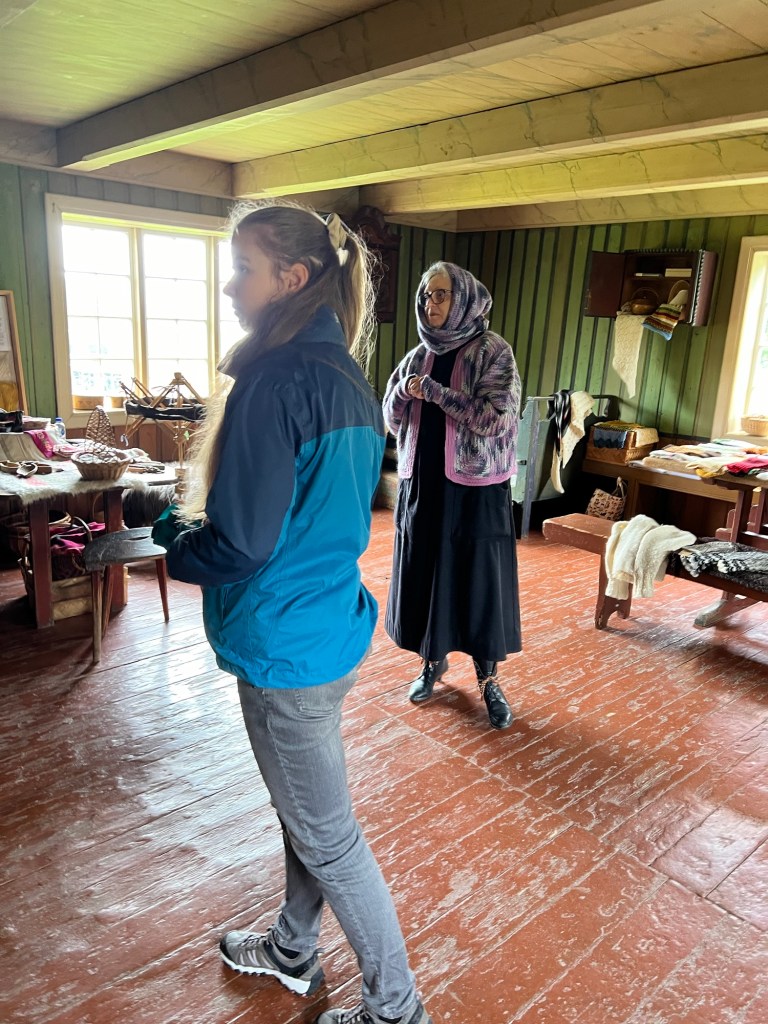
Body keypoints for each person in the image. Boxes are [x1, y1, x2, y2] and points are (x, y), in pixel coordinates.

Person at [155, 201, 431, 1024]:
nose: (230, 286)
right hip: (324, 626)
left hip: (286, 647)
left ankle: (396, 1008)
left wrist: (170, 536)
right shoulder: (344, 376)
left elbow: (239, 545)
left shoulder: (276, 379)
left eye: (243, 269)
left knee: (329, 837)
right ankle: (293, 950)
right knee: (303, 816)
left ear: (293, 277)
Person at [383, 262, 522, 729]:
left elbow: (496, 419)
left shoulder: (493, 351)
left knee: (477, 581)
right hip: (422, 485)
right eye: (426, 295)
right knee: (426, 575)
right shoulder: (417, 355)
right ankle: (432, 661)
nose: (431, 303)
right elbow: (391, 418)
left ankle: (488, 678)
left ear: (463, 298)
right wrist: (404, 393)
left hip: (476, 490)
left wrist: (437, 394)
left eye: (441, 294)